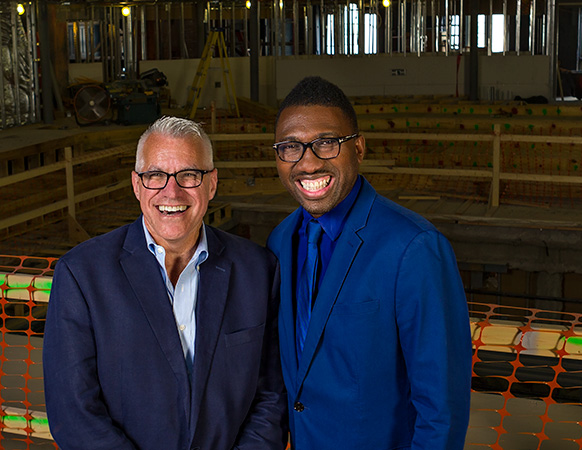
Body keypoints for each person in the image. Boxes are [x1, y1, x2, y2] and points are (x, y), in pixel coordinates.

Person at [43, 116, 287, 450]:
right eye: (155, 175)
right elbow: (73, 413)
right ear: (136, 184)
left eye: (189, 175)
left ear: (211, 184)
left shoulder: (257, 270)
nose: (171, 191)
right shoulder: (82, 275)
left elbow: (271, 396)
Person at [266, 76, 471, 449]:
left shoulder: (414, 249)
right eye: (290, 147)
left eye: (326, 143)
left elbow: (443, 409)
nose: (307, 163)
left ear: (358, 148)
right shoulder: (280, 242)